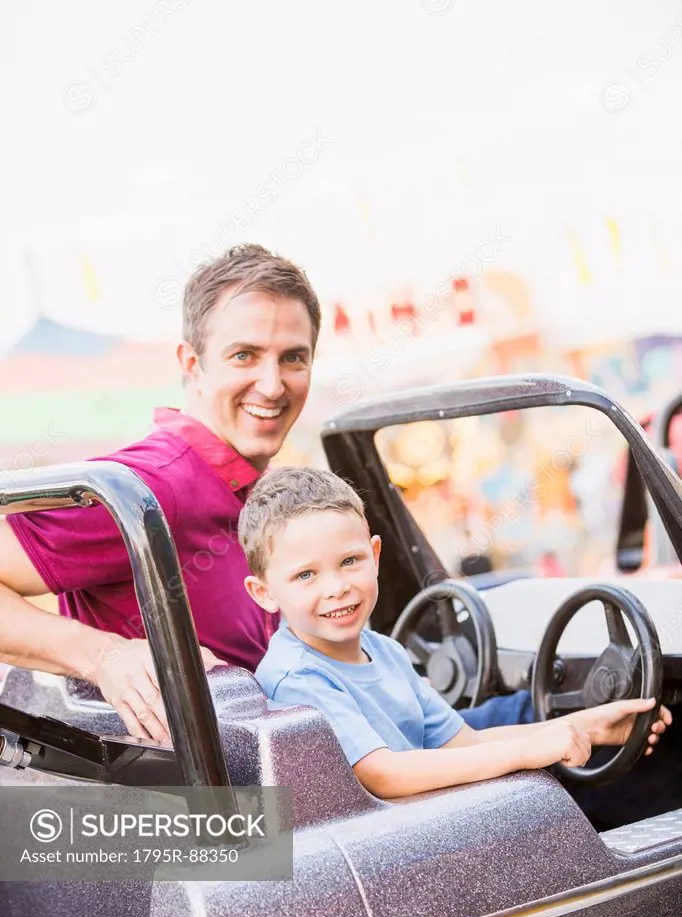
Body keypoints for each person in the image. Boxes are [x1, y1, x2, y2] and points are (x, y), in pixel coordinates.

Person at [0, 244, 320, 743]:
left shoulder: (260, 493)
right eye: (245, 356)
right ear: (192, 364)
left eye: (293, 358)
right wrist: (104, 655)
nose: (273, 385)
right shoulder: (152, 486)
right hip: (184, 811)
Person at [239, 467, 671, 798]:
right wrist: (525, 752)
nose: (336, 587)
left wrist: (586, 726)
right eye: (306, 575)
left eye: (349, 561)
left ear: (374, 554)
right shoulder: (298, 677)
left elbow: (463, 742)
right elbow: (382, 774)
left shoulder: (384, 651)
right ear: (264, 593)